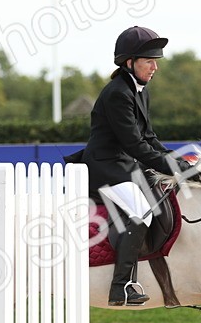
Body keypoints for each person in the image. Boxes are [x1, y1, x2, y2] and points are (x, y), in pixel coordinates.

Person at [77, 25, 181, 306]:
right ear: (129, 62)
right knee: (142, 211)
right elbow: (135, 145)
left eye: (156, 61)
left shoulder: (139, 91)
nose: (155, 67)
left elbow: (149, 138)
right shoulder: (117, 93)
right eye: (149, 61)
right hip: (106, 168)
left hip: (124, 165)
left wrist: (176, 160)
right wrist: (172, 167)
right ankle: (121, 286)